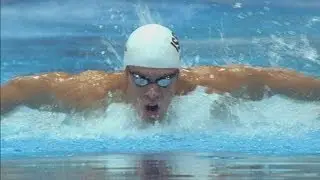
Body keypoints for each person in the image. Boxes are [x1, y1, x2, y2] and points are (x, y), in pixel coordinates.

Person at [1, 24, 319, 122]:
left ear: (178, 75)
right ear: (125, 74)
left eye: (165, 79)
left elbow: (267, 79)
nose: (152, 91)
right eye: (140, 78)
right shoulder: (90, 92)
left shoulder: (204, 86)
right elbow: (20, 90)